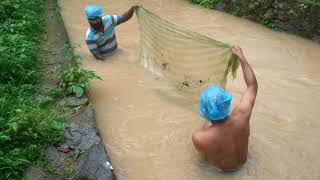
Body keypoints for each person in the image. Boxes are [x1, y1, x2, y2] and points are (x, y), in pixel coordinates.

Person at [192, 46, 258, 172]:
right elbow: (252, 86)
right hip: (244, 165)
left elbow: (203, 155)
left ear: (204, 111)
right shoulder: (242, 115)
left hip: (220, 173)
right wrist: (241, 57)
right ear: (226, 103)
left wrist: (207, 126)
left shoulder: (199, 137)